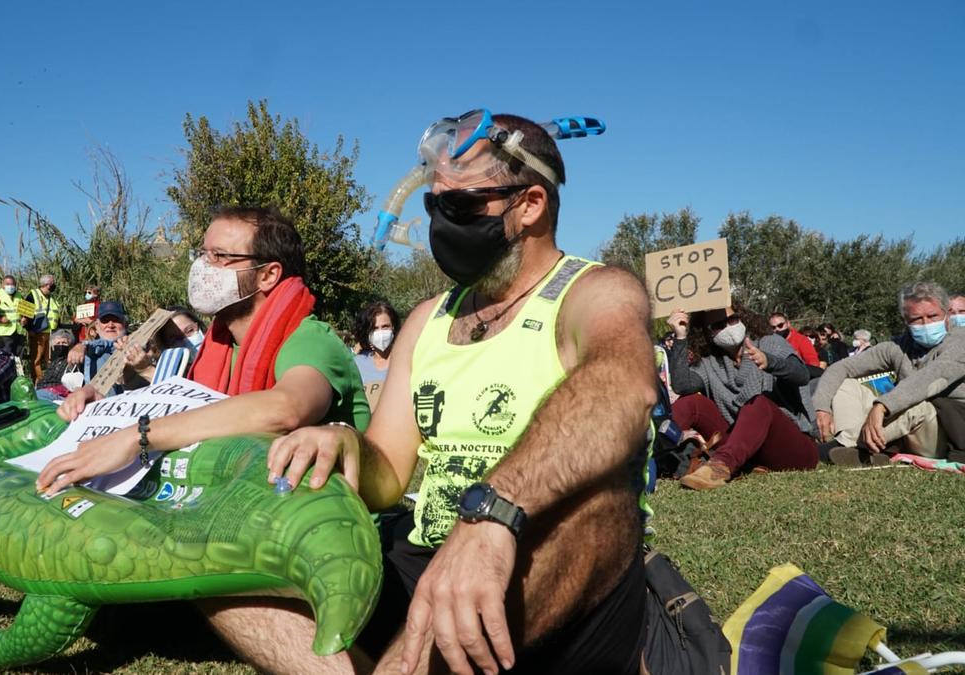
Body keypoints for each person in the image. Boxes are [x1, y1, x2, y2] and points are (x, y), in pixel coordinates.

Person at [205, 112, 656, 675]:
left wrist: (492, 513)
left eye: (462, 207)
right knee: (230, 575)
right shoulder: (426, 320)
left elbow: (624, 389)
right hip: (429, 551)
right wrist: (344, 444)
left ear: (530, 205)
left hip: (537, 559)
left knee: (601, 505)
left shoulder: (594, 292)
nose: (444, 222)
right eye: (433, 205)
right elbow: (390, 471)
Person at [36, 205, 370, 497]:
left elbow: (287, 407)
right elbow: (189, 406)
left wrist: (135, 436)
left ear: (268, 274)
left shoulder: (310, 339)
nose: (202, 267)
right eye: (202, 254)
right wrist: (108, 409)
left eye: (220, 257)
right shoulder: (219, 344)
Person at [667, 303, 818, 490]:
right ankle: (644, 453)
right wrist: (680, 337)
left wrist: (770, 361)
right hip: (745, 451)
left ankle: (720, 467)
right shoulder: (710, 362)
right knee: (691, 402)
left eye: (732, 320)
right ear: (708, 333)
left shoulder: (769, 342)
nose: (728, 327)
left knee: (758, 403)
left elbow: (801, 375)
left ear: (742, 318)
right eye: (719, 326)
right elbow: (682, 385)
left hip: (792, 447)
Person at [813, 281, 965, 464]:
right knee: (846, 385)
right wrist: (822, 407)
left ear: (946, 315)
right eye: (917, 319)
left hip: (948, 432)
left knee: (919, 405)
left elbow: (930, 378)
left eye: (932, 316)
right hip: (905, 433)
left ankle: (846, 447)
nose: (926, 323)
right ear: (905, 321)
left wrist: (882, 406)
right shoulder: (898, 347)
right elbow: (842, 367)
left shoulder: (960, 341)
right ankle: (847, 445)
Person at [64, 300, 131, 395]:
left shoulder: (139, 345)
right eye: (105, 320)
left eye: (116, 320)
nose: (110, 325)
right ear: (97, 326)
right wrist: (82, 346)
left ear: (126, 324)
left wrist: (83, 344)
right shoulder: (88, 350)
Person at [352, 300, 401, 411]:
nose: (381, 332)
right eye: (374, 328)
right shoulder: (357, 364)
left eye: (385, 326)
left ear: (393, 327)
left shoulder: (405, 360)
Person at [22, 274, 61, 381]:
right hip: (37, 333)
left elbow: (56, 315)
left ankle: (50, 380)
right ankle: (38, 383)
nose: (54, 286)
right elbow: (23, 315)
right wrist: (29, 330)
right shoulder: (32, 295)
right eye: (52, 284)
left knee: (50, 359)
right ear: (46, 284)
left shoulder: (52, 298)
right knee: (36, 360)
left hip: (51, 334)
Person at [0, 275, 27, 358]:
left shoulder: (19, 295)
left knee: (18, 357)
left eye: (12, 284)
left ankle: (17, 371)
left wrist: (24, 318)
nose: (10, 286)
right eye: (8, 284)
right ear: (3, 285)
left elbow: (25, 312)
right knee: (5, 357)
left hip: (18, 332)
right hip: (3, 334)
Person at [35, 329, 78, 400]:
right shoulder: (53, 362)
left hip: (59, 394)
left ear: (70, 346)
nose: (60, 345)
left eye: (64, 343)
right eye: (58, 343)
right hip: (44, 391)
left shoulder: (72, 361)